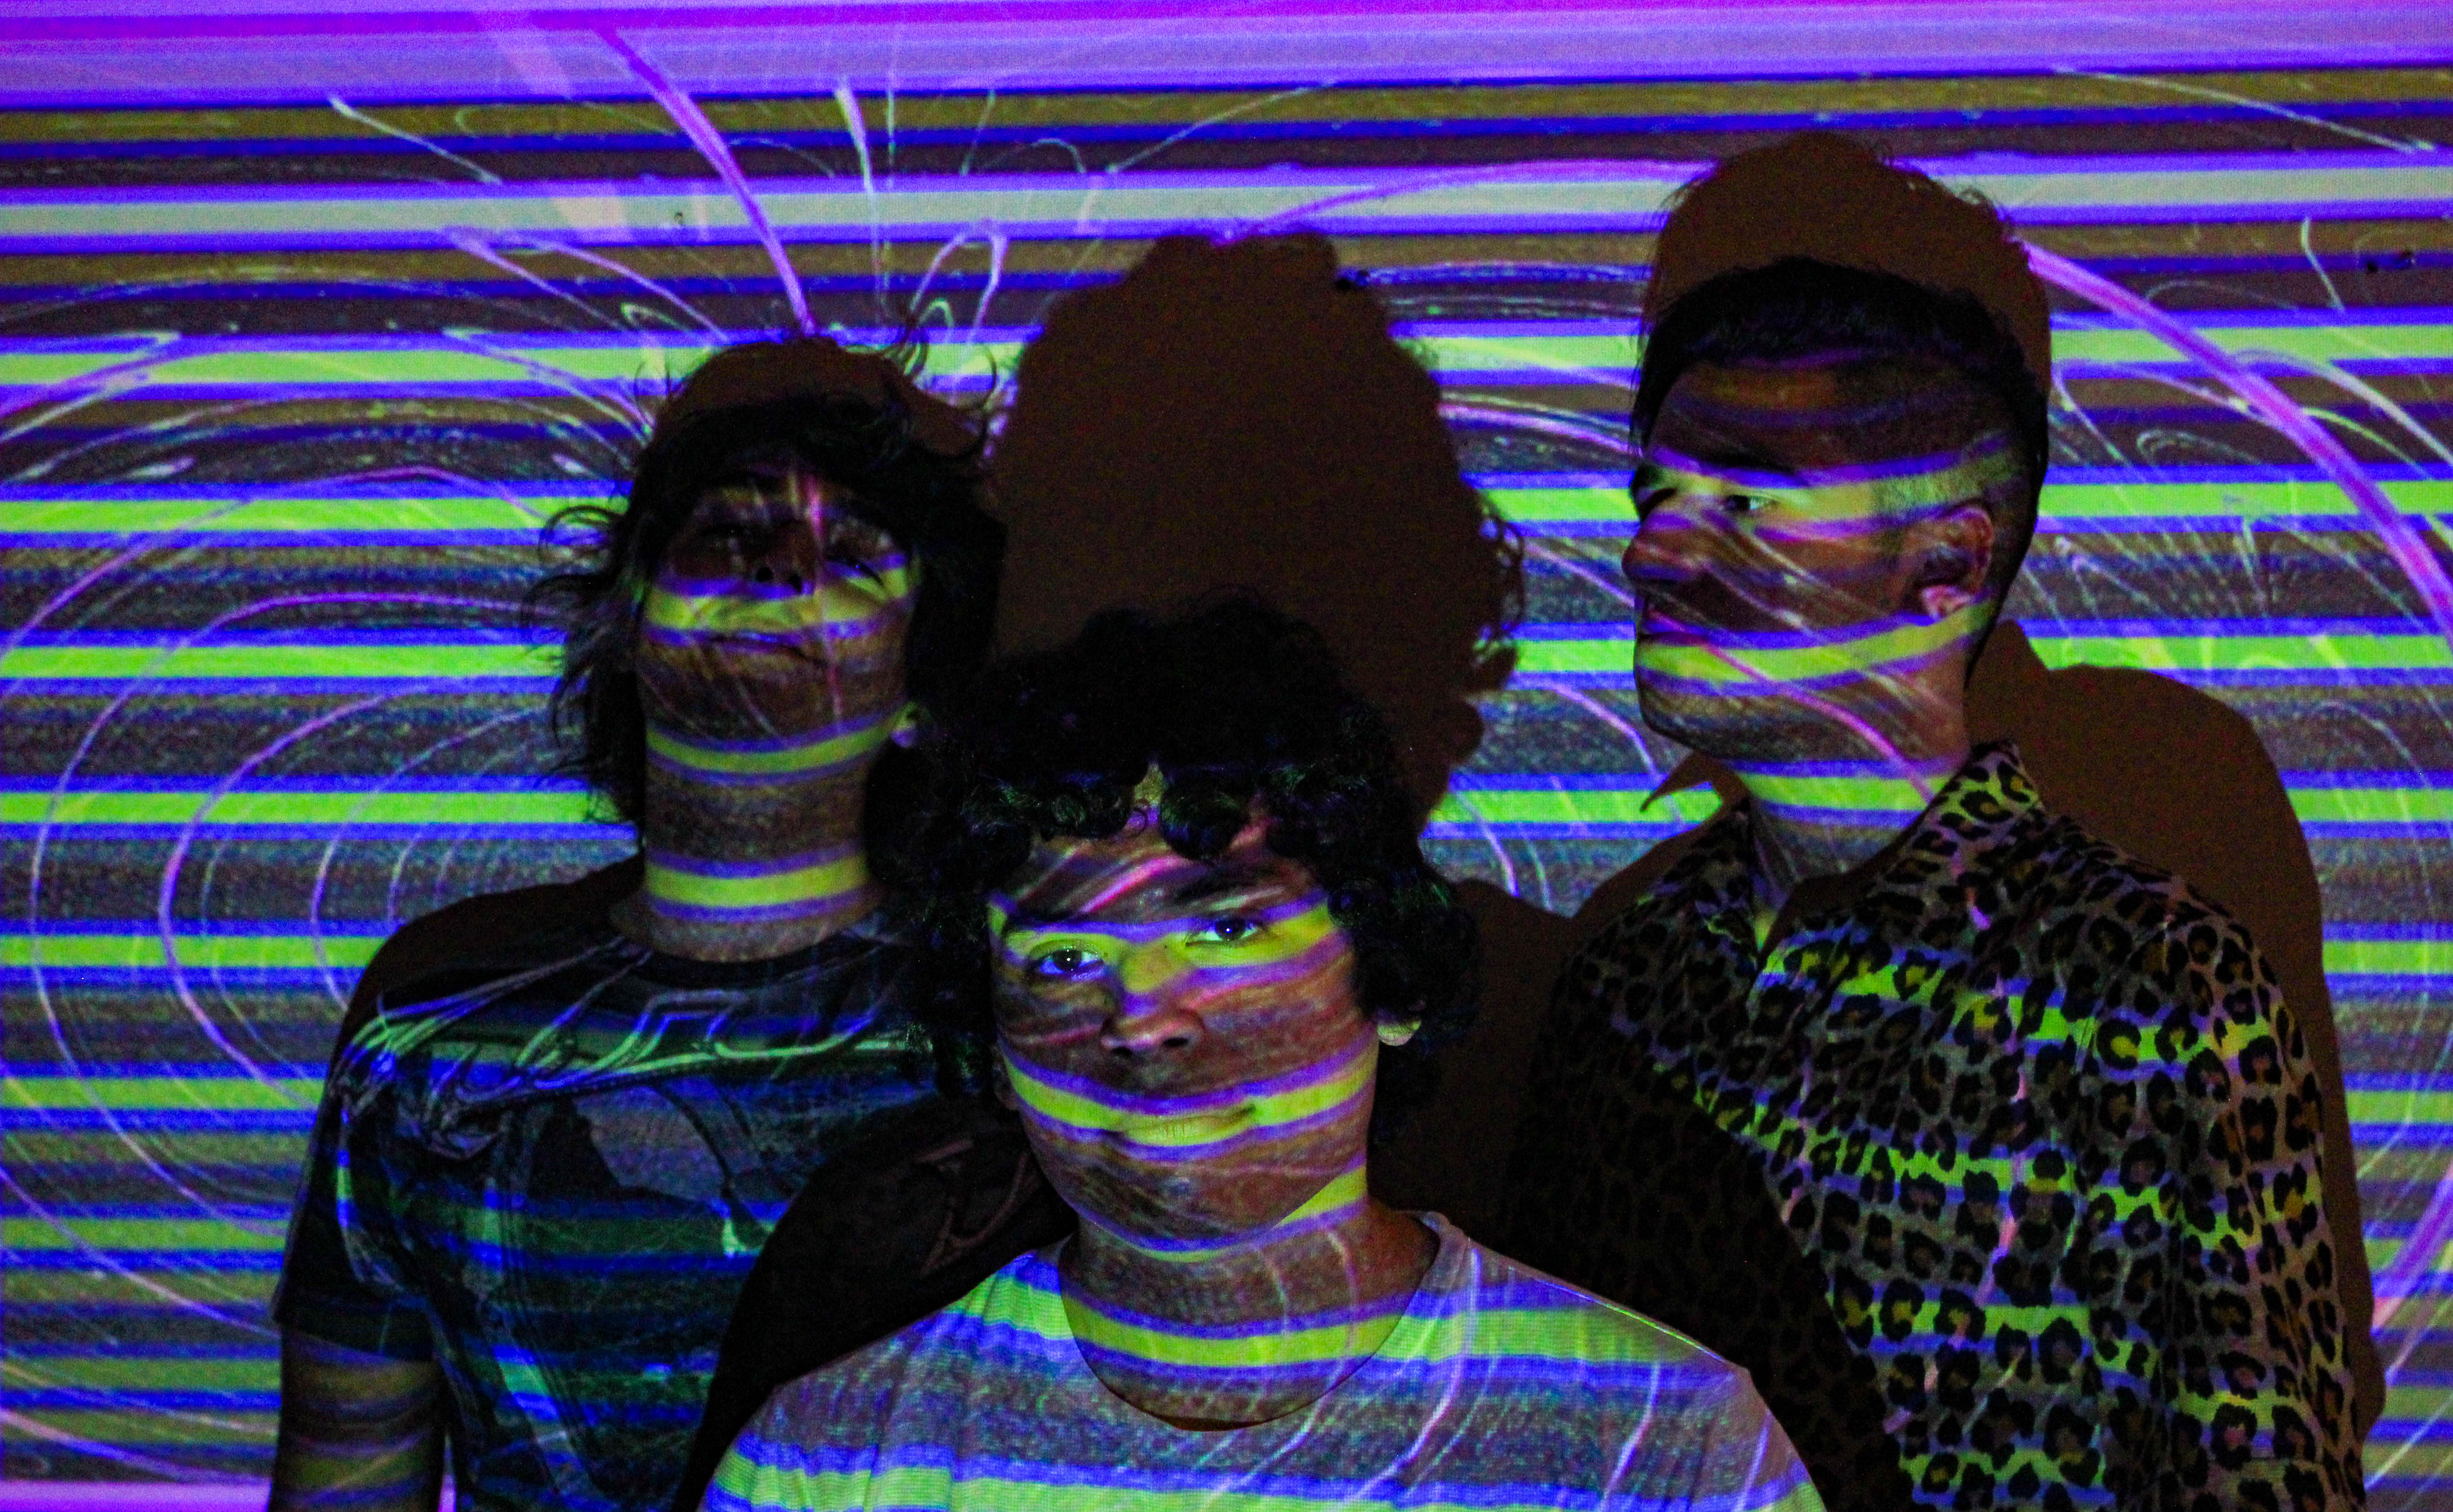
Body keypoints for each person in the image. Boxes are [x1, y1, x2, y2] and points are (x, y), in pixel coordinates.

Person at [1501, 134, 2367, 1512]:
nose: (1652, 552)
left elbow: (2263, 1469)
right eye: (1656, 497)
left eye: (1746, 499)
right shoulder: (1625, 977)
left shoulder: (2150, 984)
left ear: (1948, 560)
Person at [703, 601, 1825, 1512]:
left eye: (1228, 930)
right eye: (1065, 958)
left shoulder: (1662, 1450)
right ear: (995, 1045)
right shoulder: (831, 1466)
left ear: (1388, 980)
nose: (1144, 1017)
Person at [269, 337, 1068, 1512]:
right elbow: (349, 1451)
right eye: (728, 533)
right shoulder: (434, 1017)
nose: (780, 570)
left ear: (917, 698)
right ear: (628, 626)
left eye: (852, 555)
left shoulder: (1010, 1006)